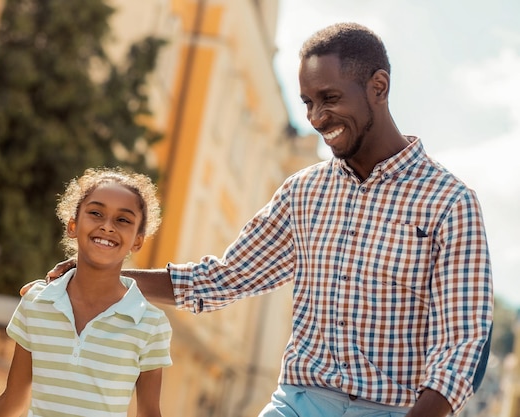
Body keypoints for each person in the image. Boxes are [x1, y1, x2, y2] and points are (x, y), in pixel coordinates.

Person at [31, 23, 493, 416]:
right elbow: (226, 278)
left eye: (329, 98)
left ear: (378, 87)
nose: (316, 117)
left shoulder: (449, 203)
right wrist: (111, 277)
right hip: (299, 402)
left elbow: (462, 346)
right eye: (308, 102)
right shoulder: (304, 192)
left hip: (392, 408)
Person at [0, 167, 172, 417]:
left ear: (137, 241)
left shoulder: (151, 324)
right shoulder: (37, 302)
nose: (107, 226)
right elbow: (14, 398)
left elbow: (149, 413)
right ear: (73, 225)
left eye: (123, 220)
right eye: (96, 213)